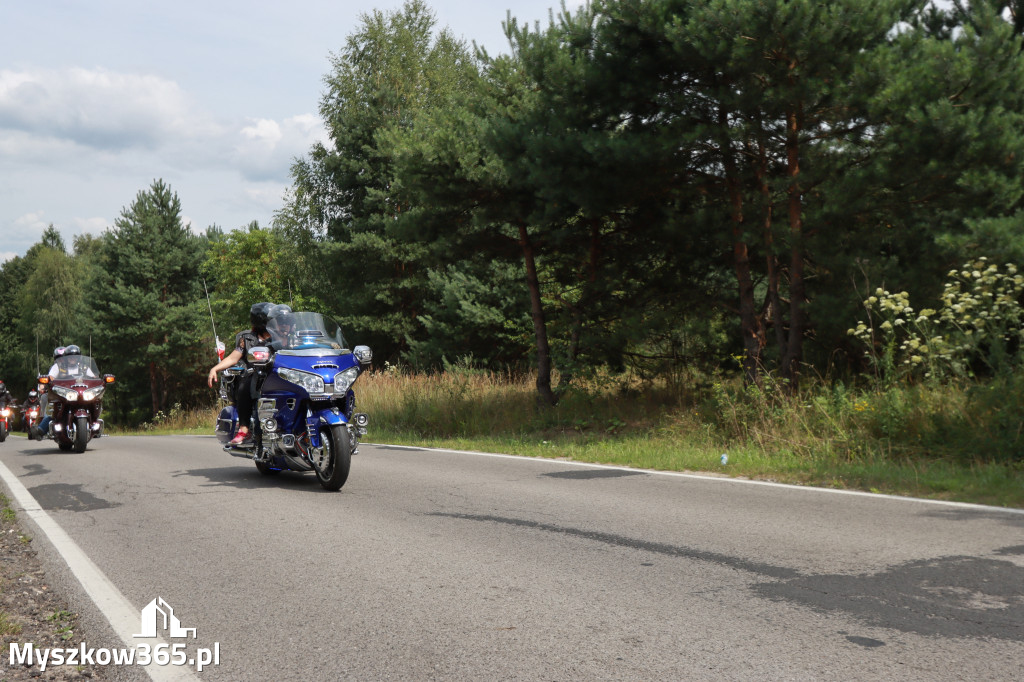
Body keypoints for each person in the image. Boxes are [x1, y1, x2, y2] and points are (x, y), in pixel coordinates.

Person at [207, 303, 274, 446]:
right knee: (246, 382)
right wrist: (215, 369)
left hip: (276, 374)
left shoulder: (282, 336)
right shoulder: (247, 338)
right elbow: (233, 357)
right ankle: (244, 429)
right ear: (263, 321)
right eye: (272, 319)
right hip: (255, 376)